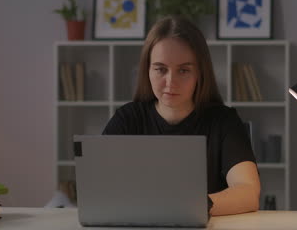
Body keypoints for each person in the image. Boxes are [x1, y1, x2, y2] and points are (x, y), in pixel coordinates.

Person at [102, 16, 260, 216]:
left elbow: (248, 192)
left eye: (184, 70)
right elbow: (99, 187)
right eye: (161, 69)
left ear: (200, 74)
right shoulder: (127, 118)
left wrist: (190, 207)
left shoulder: (223, 121)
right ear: (147, 70)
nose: (170, 82)